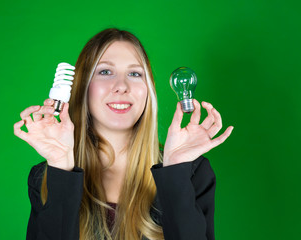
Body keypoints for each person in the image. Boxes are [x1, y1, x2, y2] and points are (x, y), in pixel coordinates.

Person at [14, 28, 234, 240]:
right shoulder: (46, 176)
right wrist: (61, 167)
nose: (121, 86)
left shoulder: (192, 173)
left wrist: (175, 170)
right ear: (83, 87)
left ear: (148, 90)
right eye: (105, 72)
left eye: (135, 73)